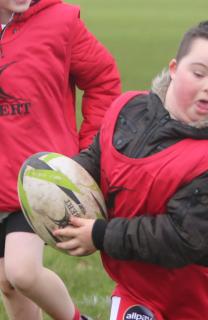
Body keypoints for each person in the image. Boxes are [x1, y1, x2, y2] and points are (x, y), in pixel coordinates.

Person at [54, 20, 208, 320]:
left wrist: (101, 234)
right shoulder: (128, 109)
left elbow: (180, 238)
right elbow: (99, 160)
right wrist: (59, 183)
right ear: (175, 68)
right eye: (199, 73)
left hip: (207, 305)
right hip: (139, 292)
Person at [0, 0, 121, 319]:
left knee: (22, 272)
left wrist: (88, 151)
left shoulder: (60, 22)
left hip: (41, 179)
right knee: (9, 284)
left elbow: (103, 79)